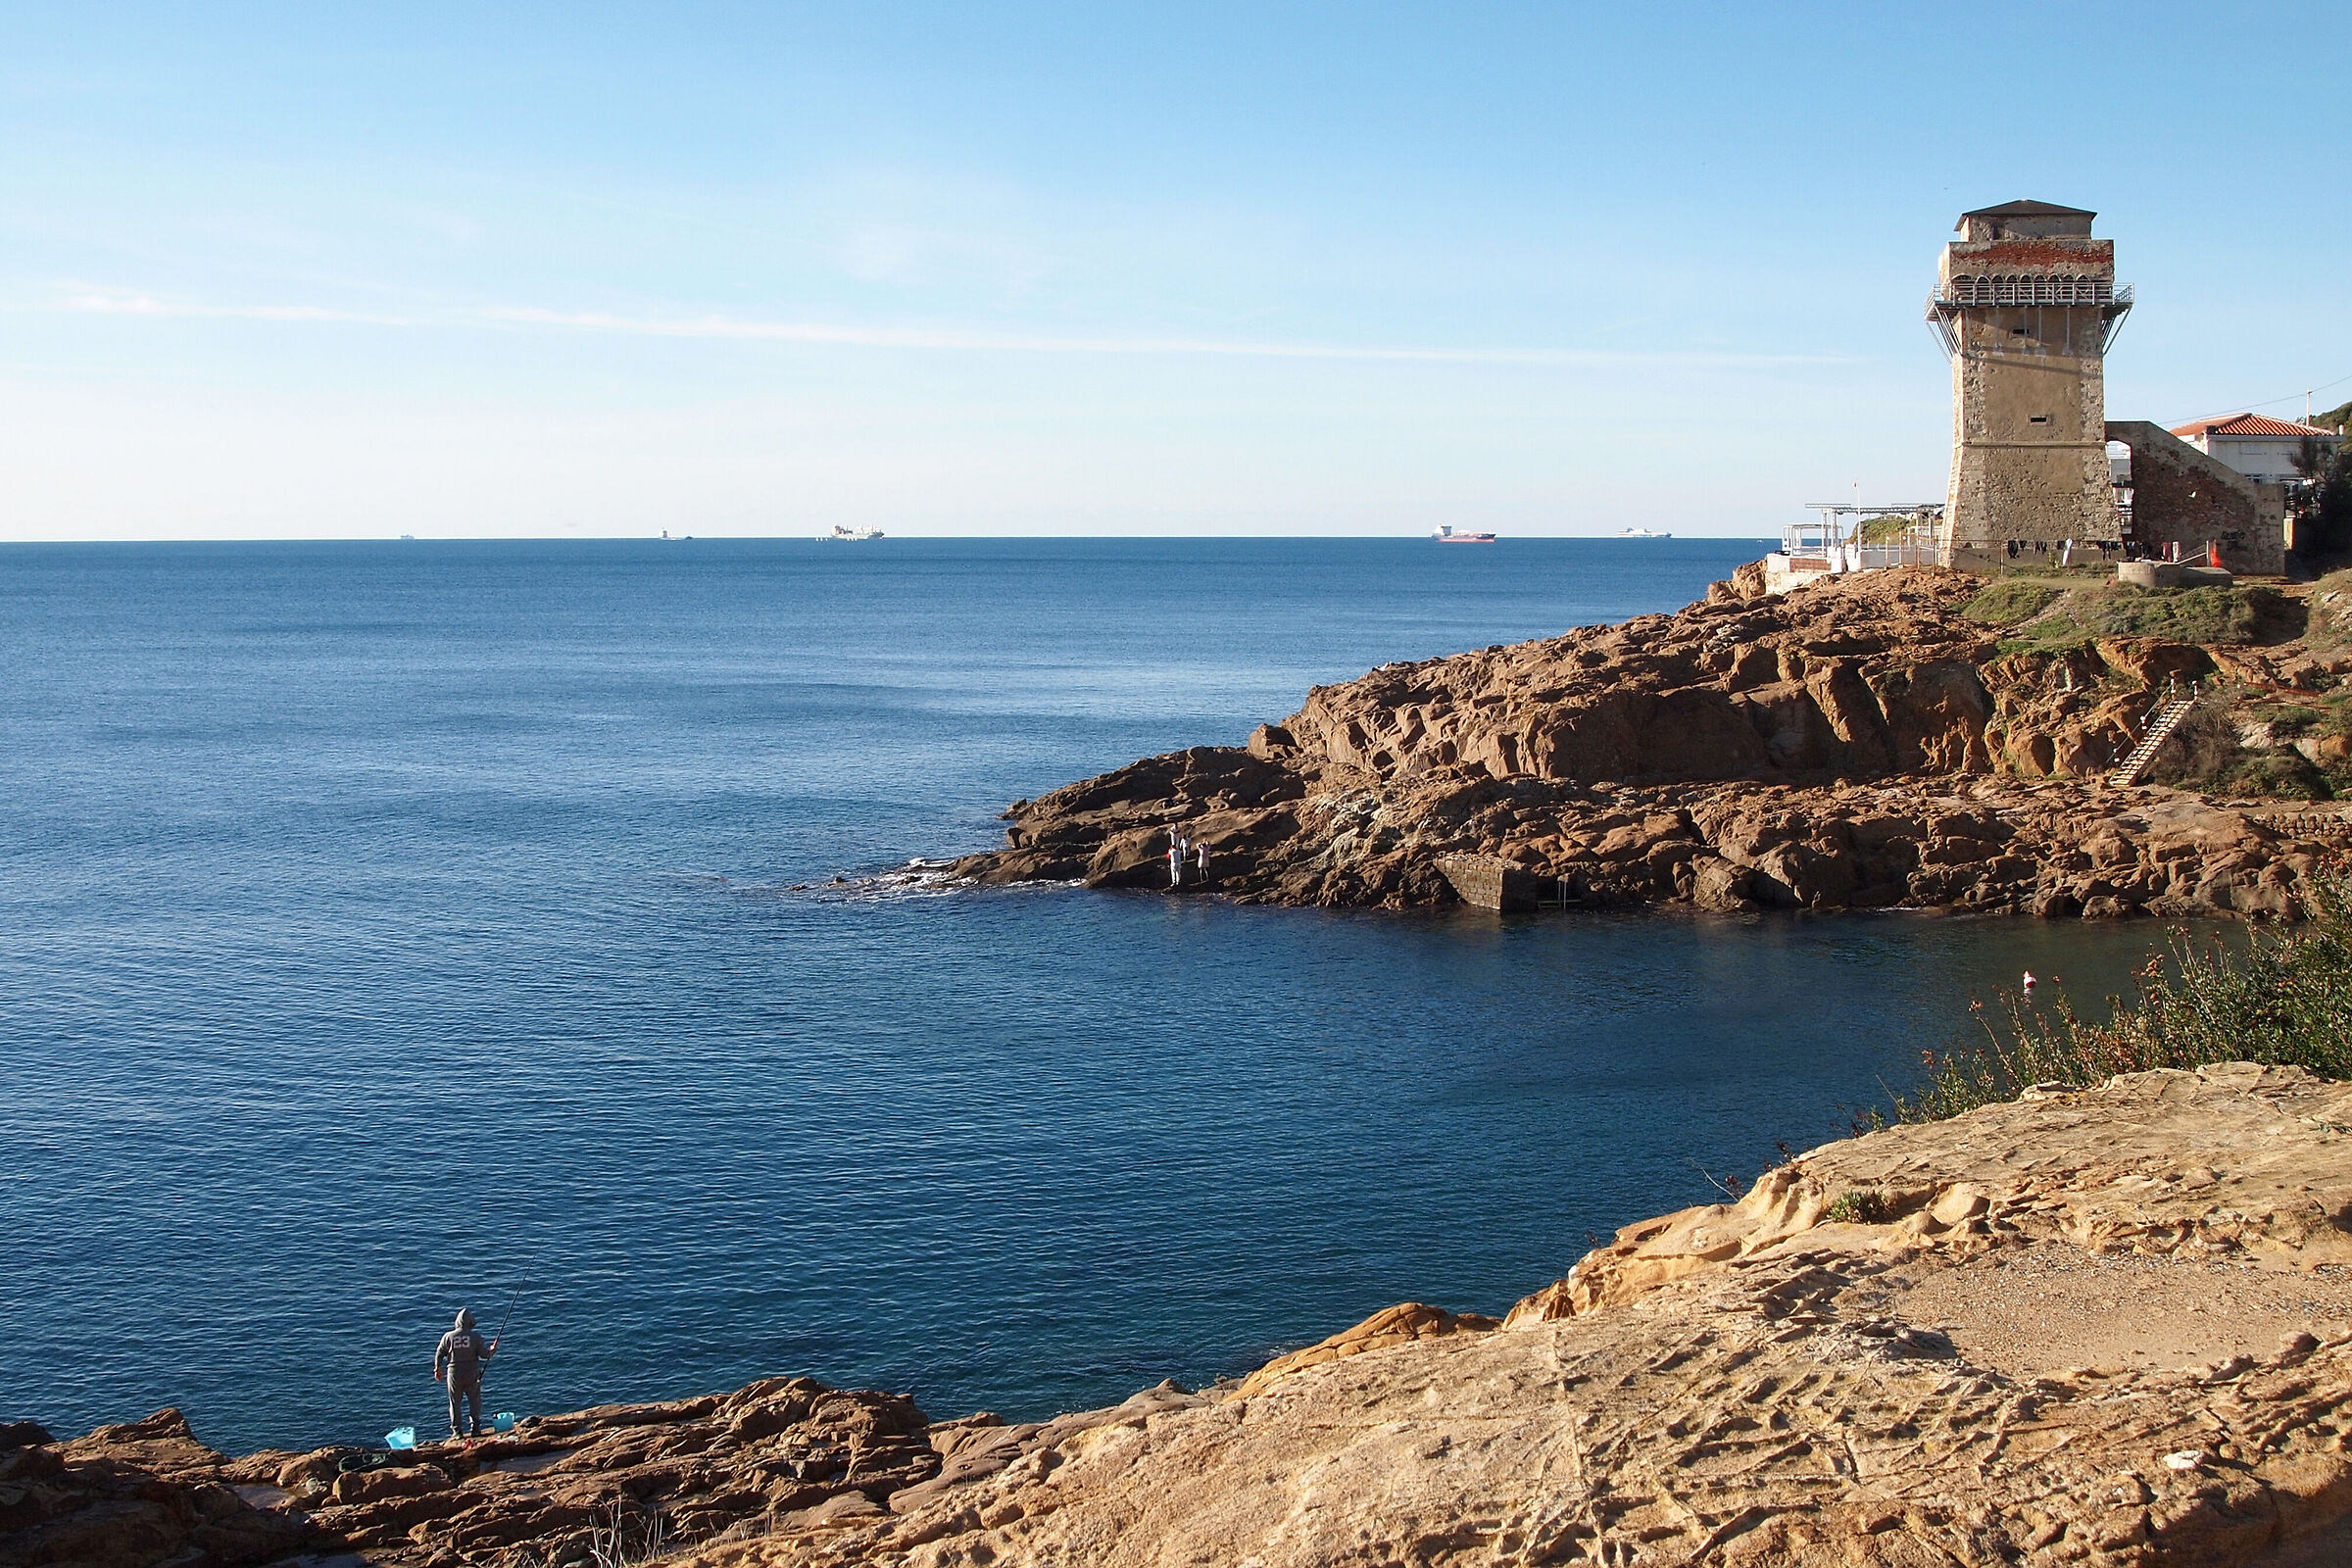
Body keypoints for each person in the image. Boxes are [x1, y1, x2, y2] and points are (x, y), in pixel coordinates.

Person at [433, 1308, 499, 1440]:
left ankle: (457, 1432)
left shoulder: (448, 1336)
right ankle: (475, 1429)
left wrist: (437, 1368)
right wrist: (493, 1350)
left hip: (454, 1373)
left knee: (454, 1403)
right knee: (474, 1400)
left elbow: (439, 1353)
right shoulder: (476, 1337)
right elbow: (485, 1355)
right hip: (471, 1372)